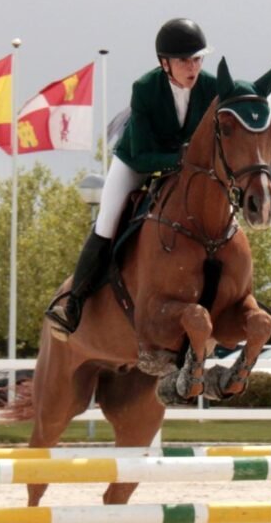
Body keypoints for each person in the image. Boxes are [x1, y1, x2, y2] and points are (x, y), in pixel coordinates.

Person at [46, 17, 218, 337]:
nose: (192, 67)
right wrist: (181, 159)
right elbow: (141, 154)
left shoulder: (211, 87)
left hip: (186, 168)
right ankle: (73, 304)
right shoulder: (145, 88)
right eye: (184, 60)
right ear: (164, 63)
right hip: (138, 161)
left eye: (197, 59)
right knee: (107, 221)